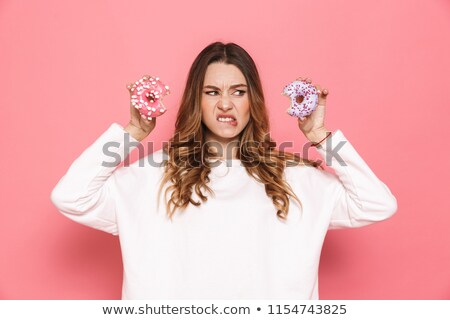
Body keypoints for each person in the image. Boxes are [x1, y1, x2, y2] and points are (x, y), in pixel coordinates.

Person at [50, 41, 398, 299]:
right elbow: (71, 196)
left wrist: (321, 137)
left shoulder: (297, 179)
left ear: (253, 100)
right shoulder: (150, 176)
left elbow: (376, 203)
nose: (226, 104)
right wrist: (132, 134)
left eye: (238, 91)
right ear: (196, 101)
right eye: (212, 92)